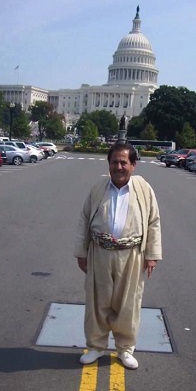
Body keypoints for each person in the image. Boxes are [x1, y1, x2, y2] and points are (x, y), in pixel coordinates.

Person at [74, 142, 162, 369]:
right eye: (115, 162)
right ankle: (96, 346)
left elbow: (153, 221)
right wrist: (81, 252)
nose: (119, 167)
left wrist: (152, 255)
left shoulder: (143, 189)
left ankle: (125, 349)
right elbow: (84, 219)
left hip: (131, 255)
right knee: (97, 302)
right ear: (109, 164)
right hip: (99, 253)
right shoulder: (98, 187)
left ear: (133, 165)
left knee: (128, 304)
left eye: (124, 162)